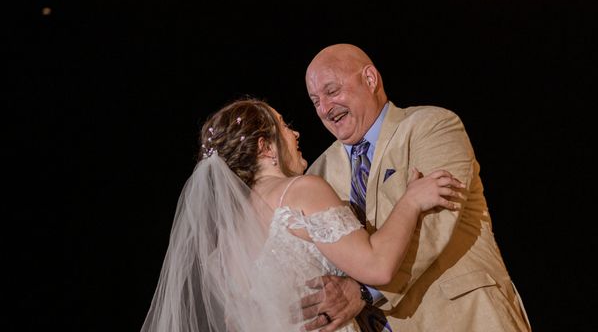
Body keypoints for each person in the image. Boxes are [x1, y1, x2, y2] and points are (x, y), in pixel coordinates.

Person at [140, 98, 464, 332]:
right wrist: (410, 200)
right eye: (284, 126)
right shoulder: (299, 191)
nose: (295, 135)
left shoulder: (225, 241)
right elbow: (378, 266)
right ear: (265, 148)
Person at [304, 44, 531, 332]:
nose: (324, 108)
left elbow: (435, 225)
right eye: (315, 100)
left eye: (332, 91)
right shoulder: (318, 173)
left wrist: (363, 291)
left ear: (370, 79)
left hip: (465, 319)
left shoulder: (432, 126)